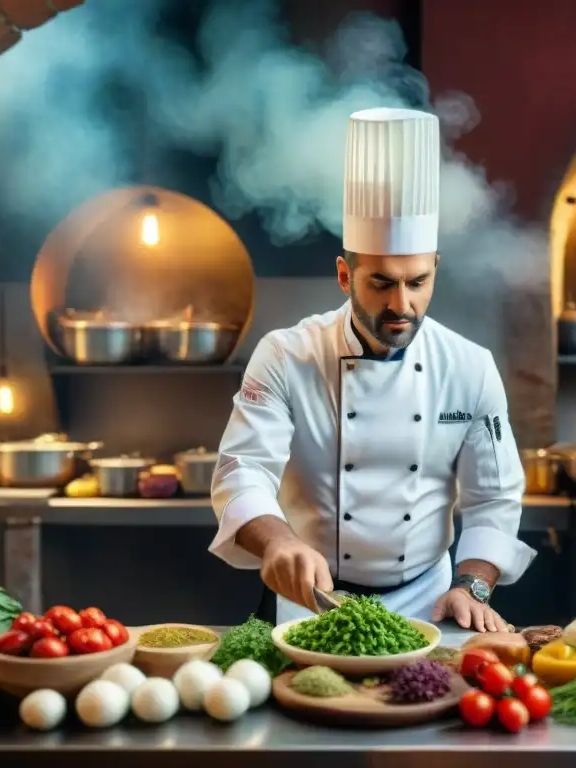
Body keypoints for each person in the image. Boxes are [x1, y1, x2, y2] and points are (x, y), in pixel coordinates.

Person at [208, 107, 535, 631]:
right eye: (381, 282)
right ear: (344, 274)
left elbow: (494, 497)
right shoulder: (287, 356)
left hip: (431, 607)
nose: (402, 304)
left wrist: (471, 586)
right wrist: (279, 542)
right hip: (313, 603)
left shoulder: (470, 368)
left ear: (434, 272)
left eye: (418, 281)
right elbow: (240, 470)